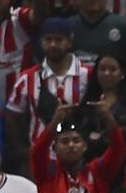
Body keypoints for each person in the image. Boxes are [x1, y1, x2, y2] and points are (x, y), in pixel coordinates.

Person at [5, 17, 91, 160]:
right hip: (41, 157)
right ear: (41, 42)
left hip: (80, 157)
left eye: (58, 40)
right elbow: (11, 114)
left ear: (69, 42)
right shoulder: (27, 77)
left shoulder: (88, 75)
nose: (52, 45)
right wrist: (21, 149)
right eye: (48, 40)